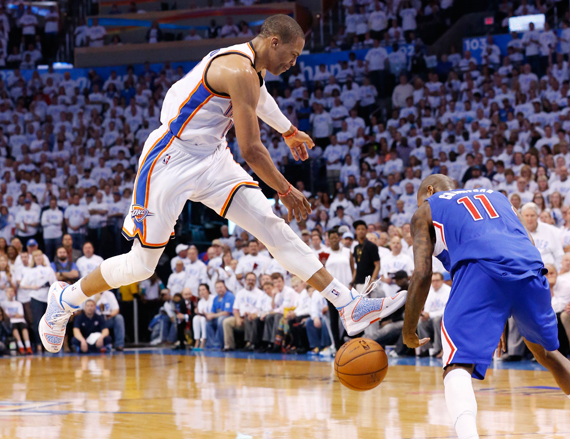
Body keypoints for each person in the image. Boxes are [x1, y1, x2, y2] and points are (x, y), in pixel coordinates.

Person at [40, 15, 406, 353]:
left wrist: (288, 130)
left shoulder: (252, 69)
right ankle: (65, 299)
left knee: (270, 225)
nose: (294, 63)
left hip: (212, 157)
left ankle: (347, 304)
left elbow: (260, 99)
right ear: (274, 42)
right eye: (292, 55)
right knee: (141, 266)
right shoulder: (237, 69)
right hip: (171, 158)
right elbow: (251, 150)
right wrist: (284, 189)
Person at [403, 174, 570, 439]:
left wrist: (408, 330)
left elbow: (422, 273)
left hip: (481, 271)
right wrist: (500, 311)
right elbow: (528, 243)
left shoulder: (427, 209)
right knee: (548, 354)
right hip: (530, 269)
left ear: (430, 190)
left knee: (457, 366)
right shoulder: (498, 197)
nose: (421, 204)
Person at [19, 250, 57, 351]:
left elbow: (55, 283)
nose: (38, 258)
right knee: (37, 322)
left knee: (49, 322)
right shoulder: (30, 271)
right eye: (36, 256)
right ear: (33, 259)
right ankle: (38, 344)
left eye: (40, 256)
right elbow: (22, 285)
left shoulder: (49, 269)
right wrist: (33, 287)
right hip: (36, 297)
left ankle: (48, 345)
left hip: (47, 298)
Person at [2, 286, 33, 355]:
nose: (10, 293)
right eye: (8, 291)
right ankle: (21, 346)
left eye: (11, 291)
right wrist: (15, 315)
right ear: (6, 293)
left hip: (20, 320)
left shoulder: (18, 303)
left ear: (14, 293)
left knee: (24, 328)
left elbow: (21, 315)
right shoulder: (3, 304)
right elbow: (6, 315)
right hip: (11, 322)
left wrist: (12, 315)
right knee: (14, 328)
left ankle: (28, 346)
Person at [205, 280, 235, 348]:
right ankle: (211, 344)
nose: (219, 289)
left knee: (220, 320)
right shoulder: (215, 298)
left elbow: (227, 313)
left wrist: (213, 315)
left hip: (230, 317)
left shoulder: (230, 296)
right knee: (208, 323)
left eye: (221, 287)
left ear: (225, 287)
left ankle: (220, 344)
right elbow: (213, 311)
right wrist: (209, 316)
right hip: (218, 317)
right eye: (217, 288)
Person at [193, 283, 214, 350]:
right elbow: (201, 313)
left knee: (202, 319)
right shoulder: (200, 302)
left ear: (207, 290)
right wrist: (197, 312)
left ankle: (204, 340)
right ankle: (197, 340)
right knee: (196, 318)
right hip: (205, 317)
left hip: (212, 317)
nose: (201, 292)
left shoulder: (213, 298)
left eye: (203, 290)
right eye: (200, 290)